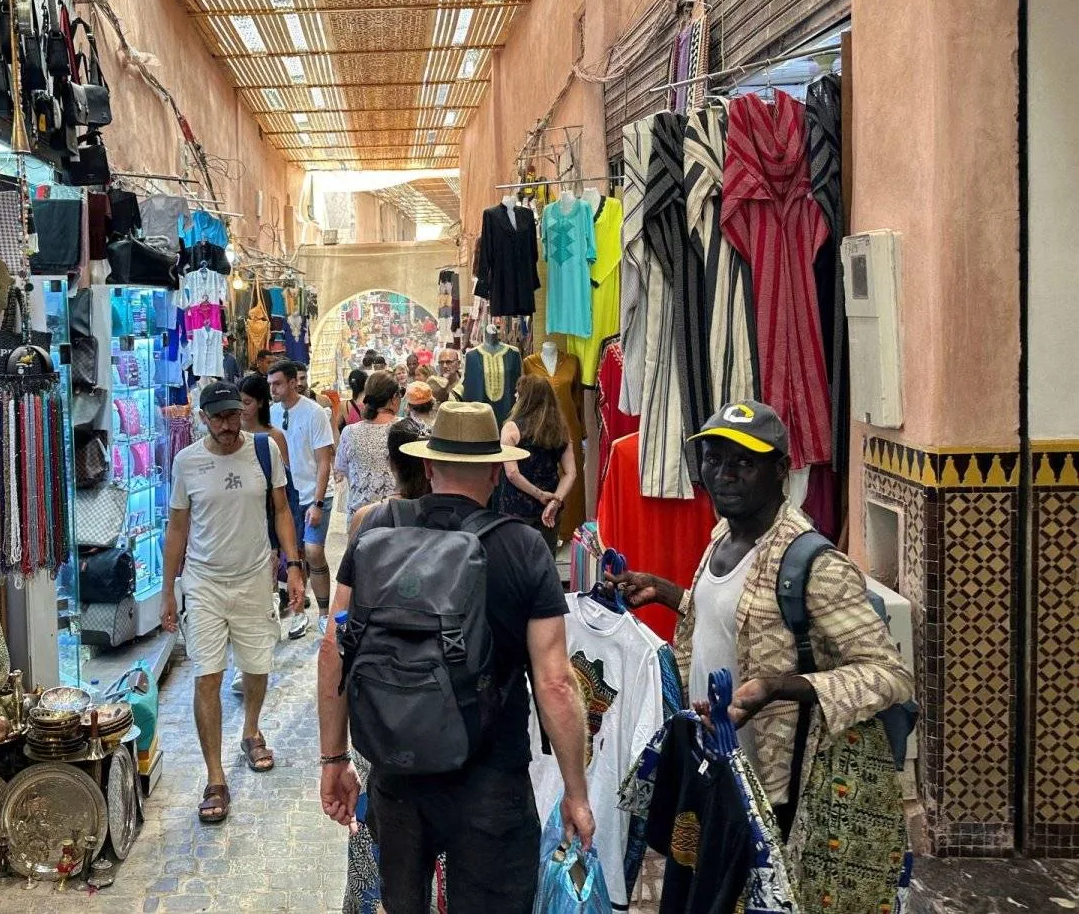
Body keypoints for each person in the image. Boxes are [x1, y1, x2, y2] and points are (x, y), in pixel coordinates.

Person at [318, 402, 595, 914]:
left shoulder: (376, 527)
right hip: (491, 784)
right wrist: (576, 793)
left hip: (397, 772)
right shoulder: (524, 547)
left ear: (427, 466)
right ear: (495, 470)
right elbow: (556, 684)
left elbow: (334, 647)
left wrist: (334, 759)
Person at [607, 400, 915, 838]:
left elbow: (889, 676)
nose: (724, 474)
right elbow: (742, 620)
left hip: (774, 794)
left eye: (743, 462)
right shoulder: (722, 535)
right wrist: (668, 592)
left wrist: (777, 687)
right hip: (715, 766)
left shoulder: (816, 564)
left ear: (781, 470)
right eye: (714, 459)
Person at [161, 382, 306, 825]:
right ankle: (215, 777)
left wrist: (295, 565)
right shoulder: (187, 462)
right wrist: (169, 589)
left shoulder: (265, 451)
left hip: (255, 578)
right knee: (208, 675)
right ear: (203, 419)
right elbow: (178, 529)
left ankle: (251, 730)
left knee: (257, 665)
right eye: (218, 417)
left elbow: (281, 509)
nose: (228, 425)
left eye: (233, 415)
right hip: (204, 583)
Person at [340, 418, 435, 913]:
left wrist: (331, 753)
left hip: (379, 702)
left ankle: (369, 904)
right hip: (437, 708)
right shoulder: (454, 522)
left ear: (391, 463)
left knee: (375, 825)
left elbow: (339, 626)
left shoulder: (368, 521)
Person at [269, 360, 336, 636]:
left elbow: (324, 461)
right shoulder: (271, 413)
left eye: (278, 384)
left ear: (293, 383)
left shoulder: (315, 413)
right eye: (270, 384)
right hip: (286, 494)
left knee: (313, 551)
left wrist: (318, 503)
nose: (272, 389)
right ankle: (298, 613)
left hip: (315, 494)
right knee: (292, 555)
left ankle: (323, 612)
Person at [239, 373, 299, 629]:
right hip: (237, 524)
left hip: (267, 524)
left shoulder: (273, 438)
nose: (242, 409)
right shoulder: (231, 437)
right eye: (238, 402)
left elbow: (284, 491)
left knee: (265, 589)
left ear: (261, 403)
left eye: (247, 402)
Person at [494, 374, 577, 553]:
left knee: (516, 563)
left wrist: (539, 494)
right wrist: (555, 500)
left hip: (516, 508)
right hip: (550, 511)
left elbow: (512, 473)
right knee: (545, 561)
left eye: (518, 393)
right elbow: (571, 473)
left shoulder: (511, 428)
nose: (515, 396)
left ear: (526, 398)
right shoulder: (561, 429)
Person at [332, 372, 402, 516]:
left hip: (360, 516)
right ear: (394, 398)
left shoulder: (350, 432)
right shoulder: (405, 428)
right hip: (394, 514)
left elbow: (342, 469)